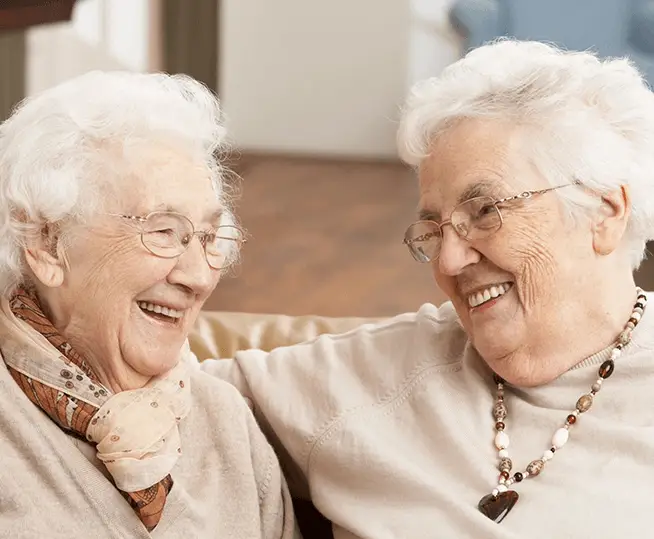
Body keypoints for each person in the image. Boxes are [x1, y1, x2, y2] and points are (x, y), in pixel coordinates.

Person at [201, 39, 654, 538]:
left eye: (485, 211)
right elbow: (152, 390)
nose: (449, 259)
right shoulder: (372, 377)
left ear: (606, 212)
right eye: (435, 230)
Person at [0, 71, 296, 538]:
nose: (198, 277)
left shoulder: (226, 424)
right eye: (163, 231)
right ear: (47, 242)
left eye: (208, 237)